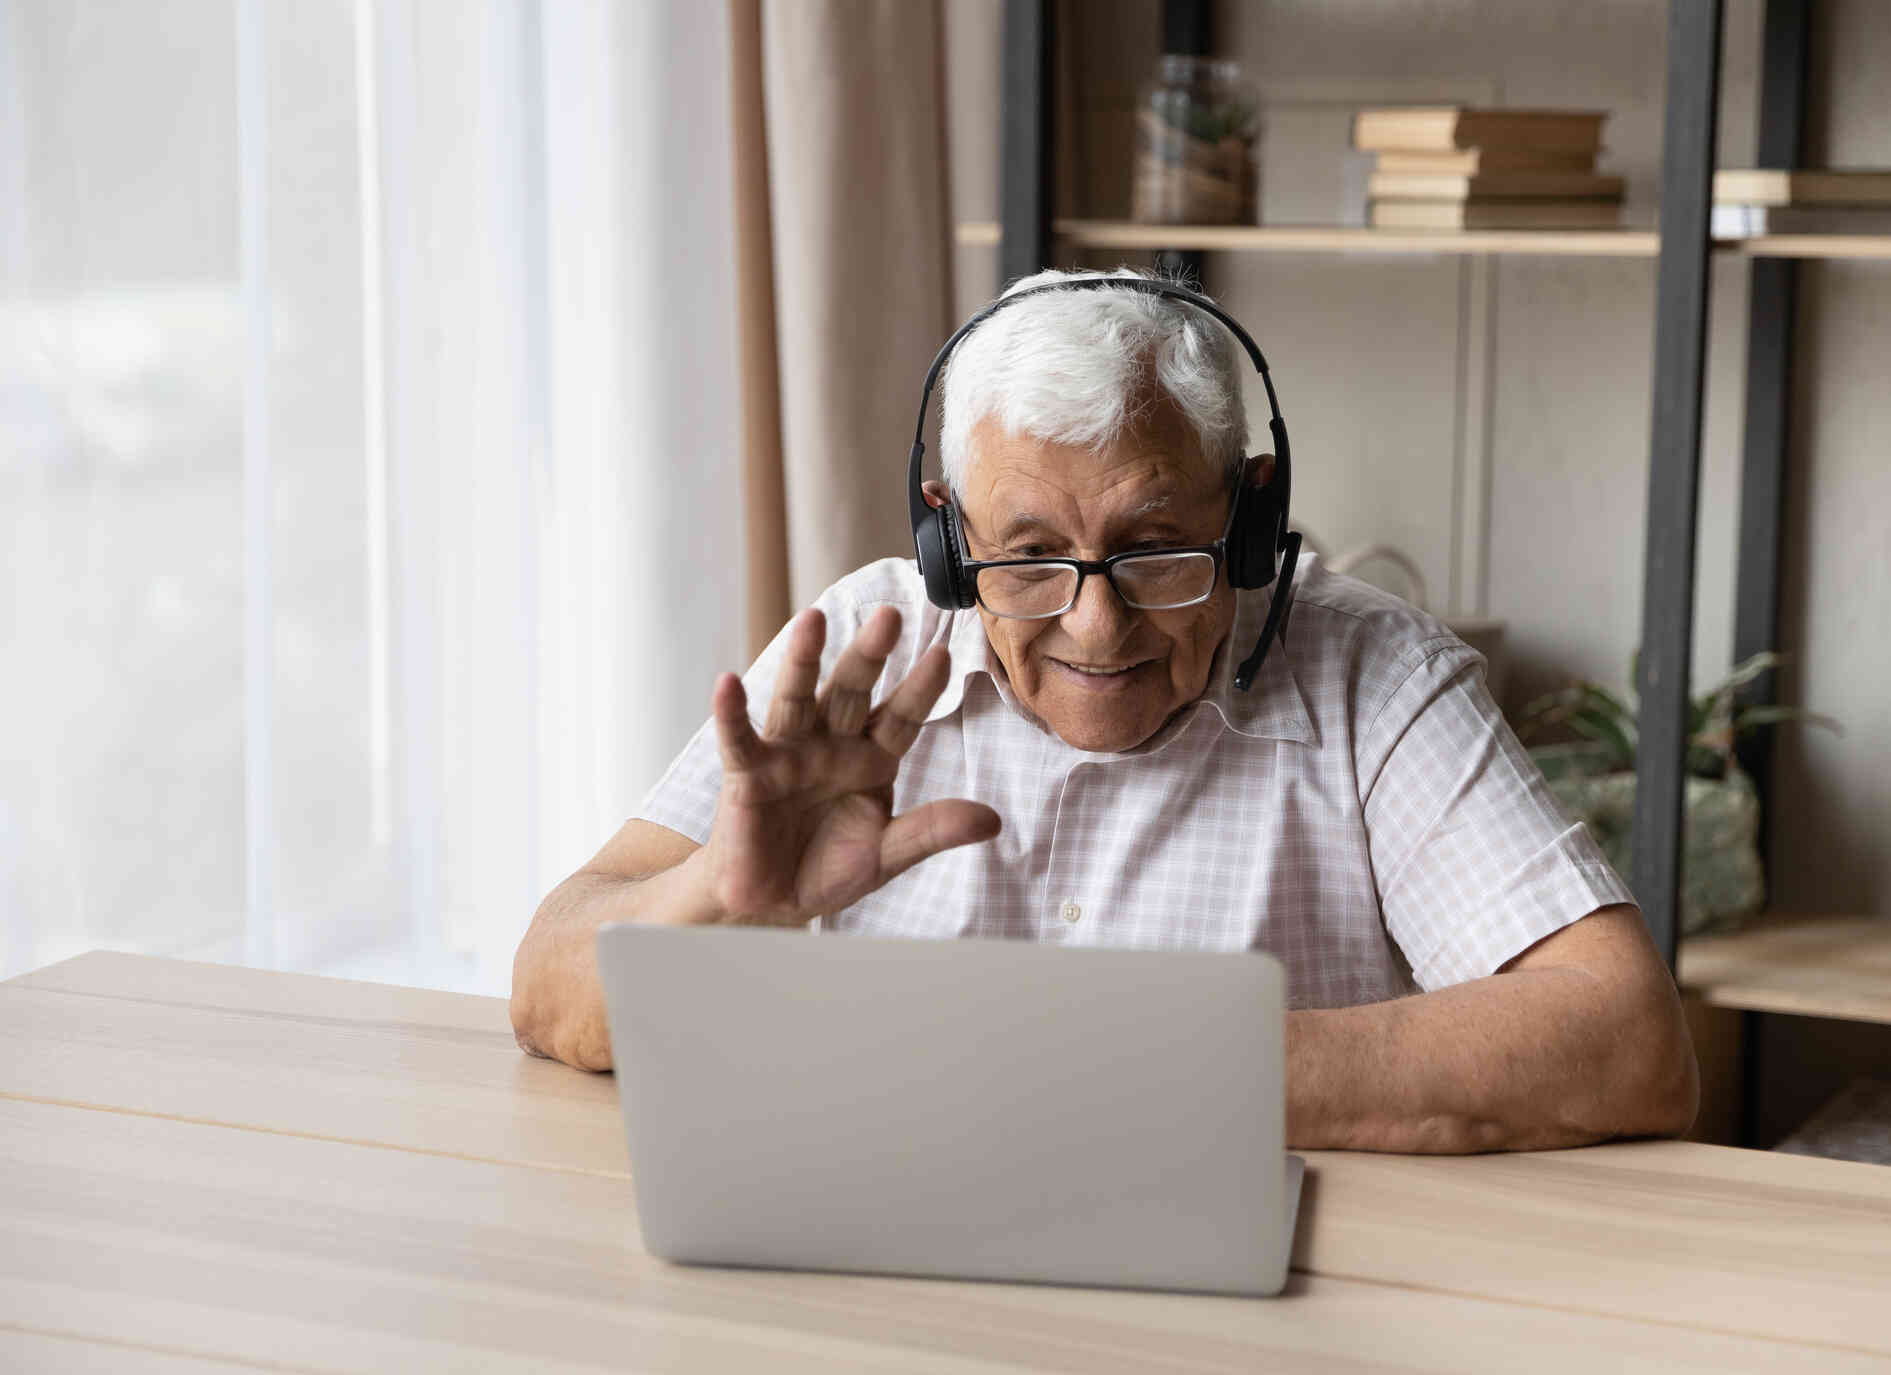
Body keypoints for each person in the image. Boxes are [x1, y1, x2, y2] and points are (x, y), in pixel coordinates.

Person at [509, 268, 1698, 1154]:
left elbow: (1628, 1043)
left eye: (1156, 548)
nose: (1097, 625)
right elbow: (548, 985)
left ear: (1249, 514)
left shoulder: (1374, 673)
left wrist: (1150, 1066)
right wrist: (719, 892)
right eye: (1026, 556)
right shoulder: (869, 648)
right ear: (945, 534)